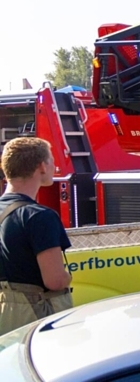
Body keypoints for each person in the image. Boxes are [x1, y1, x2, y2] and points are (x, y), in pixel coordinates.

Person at [0, 138, 73, 335]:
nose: (54, 166)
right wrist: (67, 277)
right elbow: (55, 281)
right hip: (34, 319)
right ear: (41, 166)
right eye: (51, 160)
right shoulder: (40, 216)